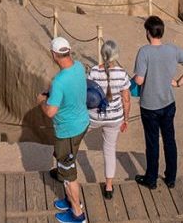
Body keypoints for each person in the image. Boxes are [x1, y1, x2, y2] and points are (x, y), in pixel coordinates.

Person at [133, 16, 183, 190]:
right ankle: (170, 178)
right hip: (168, 102)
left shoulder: (144, 52)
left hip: (149, 105)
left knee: (152, 142)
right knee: (169, 140)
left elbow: (139, 80)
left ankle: (151, 179)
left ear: (148, 32)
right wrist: (178, 83)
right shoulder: (172, 50)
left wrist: (130, 80)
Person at [37, 37, 88, 223]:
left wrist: (42, 101)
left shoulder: (59, 81)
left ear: (54, 54)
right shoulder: (79, 67)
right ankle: (69, 200)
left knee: (68, 174)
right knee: (68, 164)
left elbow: (50, 112)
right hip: (82, 123)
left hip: (67, 131)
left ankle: (77, 213)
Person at [88, 39, 132, 199]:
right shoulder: (122, 74)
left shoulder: (93, 71)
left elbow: (88, 94)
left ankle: (64, 167)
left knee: (75, 139)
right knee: (109, 150)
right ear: (116, 55)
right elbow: (126, 99)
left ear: (102, 54)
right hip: (114, 118)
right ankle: (108, 186)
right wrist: (125, 119)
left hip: (94, 115)